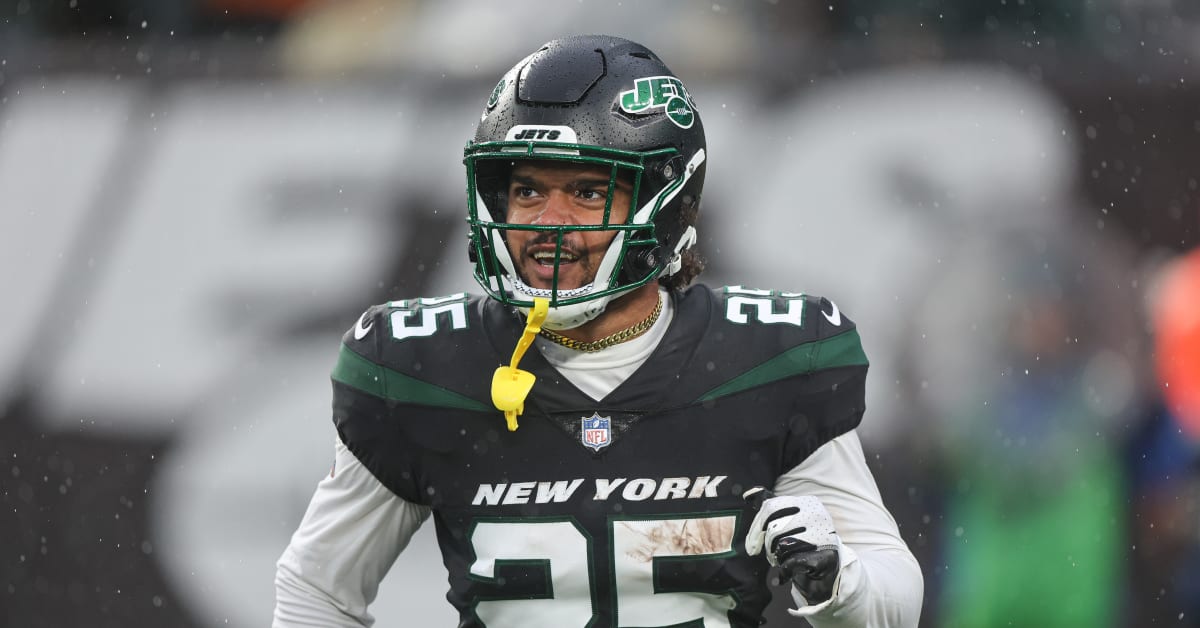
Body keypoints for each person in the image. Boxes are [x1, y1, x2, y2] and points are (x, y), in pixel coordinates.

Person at [273, 34, 923, 627]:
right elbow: (317, 589)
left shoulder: (768, 360)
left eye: (587, 192)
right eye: (527, 191)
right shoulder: (421, 366)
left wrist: (840, 585)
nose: (546, 223)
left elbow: (893, 600)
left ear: (665, 206)